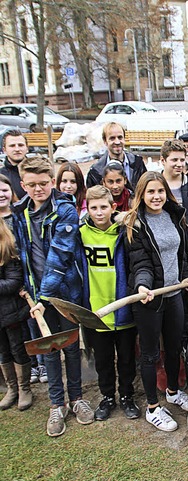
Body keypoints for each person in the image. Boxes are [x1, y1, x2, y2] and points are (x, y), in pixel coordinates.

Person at [12, 156, 93, 437]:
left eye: (44, 184)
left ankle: (77, 398)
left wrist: (46, 297)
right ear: (22, 184)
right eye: (32, 185)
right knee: (48, 349)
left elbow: (60, 255)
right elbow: (21, 254)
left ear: (52, 182)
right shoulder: (18, 212)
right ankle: (56, 405)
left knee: (70, 345)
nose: (38, 190)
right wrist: (28, 291)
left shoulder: (66, 210)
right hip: (36, 297)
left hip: (64, 293)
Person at [122, 173, 188, 432]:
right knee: (151, 354)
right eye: (151, 192)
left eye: (160, 191)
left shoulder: (174, 216)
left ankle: (173, 391)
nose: (156, 197)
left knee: (175, 347)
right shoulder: (135, 224)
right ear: (141, 195)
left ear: (167, 193)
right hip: (149, 300)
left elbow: (180, 254)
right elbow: (140, 261)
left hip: (174, 294)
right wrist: (143, 285)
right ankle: (153, 407)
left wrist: (186, 276)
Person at [79, 185, 140, 422]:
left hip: (122, 307)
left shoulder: (123, 232)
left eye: (104, 207)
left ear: (113, 207)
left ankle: (127, 396)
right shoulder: (81, 233)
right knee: (103, 359)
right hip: (96, 310)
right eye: (93, 208)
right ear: (87, 209)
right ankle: (107, 397)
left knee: (126, 358)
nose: (99, 212)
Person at [0, 173, 46, 384]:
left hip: (21, 287)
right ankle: (13, 385)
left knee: (24, 334)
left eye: (4, 189)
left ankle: (35, 370)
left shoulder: (18, 217)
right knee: (6, 345)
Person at [0, 217, 33, 412]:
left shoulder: (8, 252)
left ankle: (24, 388)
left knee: (17, 348)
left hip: (11, 311)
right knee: (3, 351)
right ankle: (11, 389)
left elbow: (13, 283)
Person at [86, 122, 147, 189]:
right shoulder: (96, 171)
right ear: (105, 141)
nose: (117, 142)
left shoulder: (138, 164)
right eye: (112, 138)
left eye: (120, 137)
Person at [0, 129, 28, 199]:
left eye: (20, 145)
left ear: (27, 148)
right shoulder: (1, 175)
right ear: (4, 150)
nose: (17, 149)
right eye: (12, 146)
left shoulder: (38, 171)